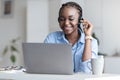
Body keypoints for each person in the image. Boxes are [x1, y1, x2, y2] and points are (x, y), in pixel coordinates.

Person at [44, 1, 98, 73]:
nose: (66, 23)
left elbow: (86, 71)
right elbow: (45, 66)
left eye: (71, 19)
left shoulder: (92, 42)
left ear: (79, 21)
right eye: (62, 19)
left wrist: (87, 37)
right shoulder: (52, 38)